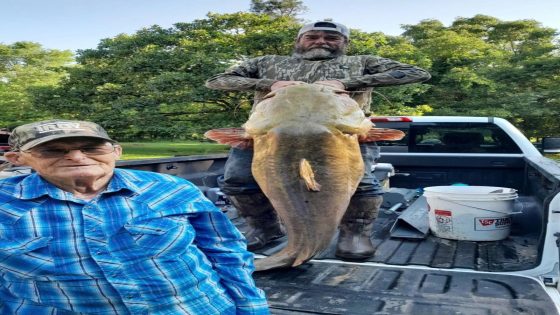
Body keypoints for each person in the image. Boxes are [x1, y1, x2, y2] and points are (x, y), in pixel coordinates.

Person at [205, 21, 431, 259]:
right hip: (269, 135)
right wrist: (269, 84)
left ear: (345, 43)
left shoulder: (362, 62)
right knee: (237, 180)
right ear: (298, 41)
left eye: (331, 37)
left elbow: (417, 73)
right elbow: (217, 81)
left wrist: (347, 83)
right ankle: (265, 228)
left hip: (344, 135)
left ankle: (354, 235)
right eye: (312, 36)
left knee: (361, 184)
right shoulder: (266, 62)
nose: (321, 41)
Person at [0, 119, 269, 314]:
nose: (76, 157)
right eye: (53, 150)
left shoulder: (170, 188)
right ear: (17, 158)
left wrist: (251, 307)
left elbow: (225, 251)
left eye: (92, 148)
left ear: (116, 152)